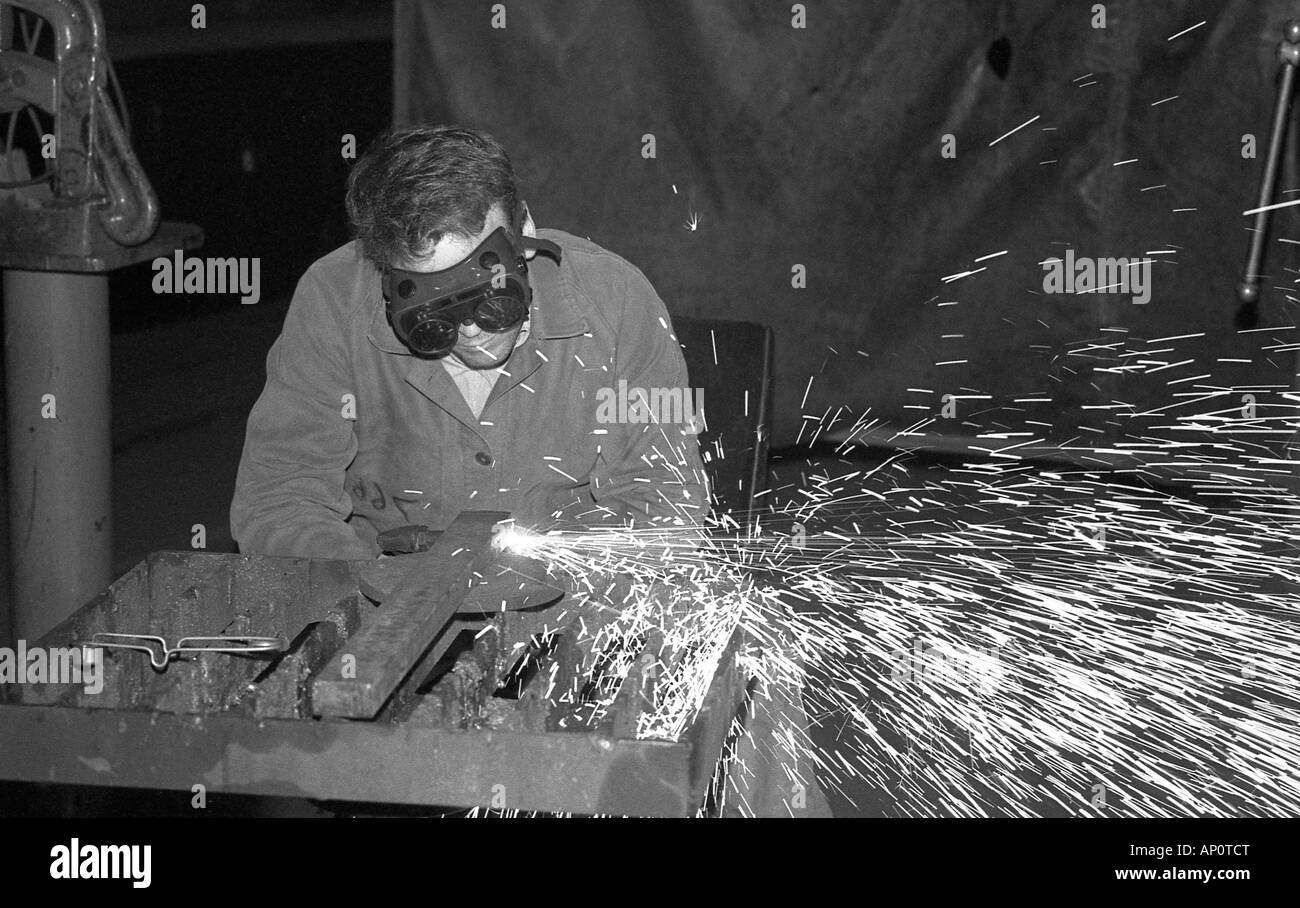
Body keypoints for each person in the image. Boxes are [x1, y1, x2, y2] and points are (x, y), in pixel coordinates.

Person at [230, 125, 708, 559]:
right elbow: (280, 500)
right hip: (382, 585)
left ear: (524, 233)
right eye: (433, 317)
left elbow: (662, 499)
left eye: (491, 300)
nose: (472, 330)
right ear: (383, 272)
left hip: (569, 597)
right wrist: (381, 599)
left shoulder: (616, 299)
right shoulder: (333, 299)